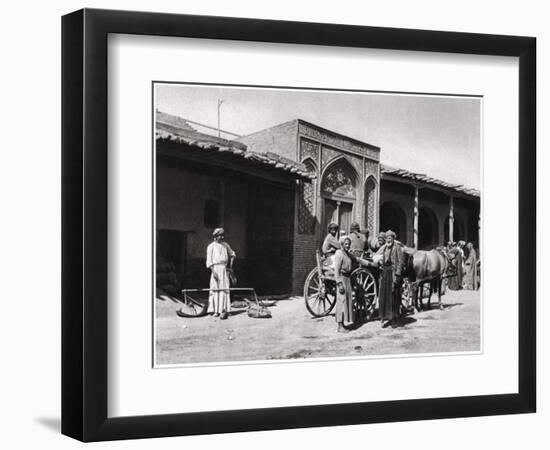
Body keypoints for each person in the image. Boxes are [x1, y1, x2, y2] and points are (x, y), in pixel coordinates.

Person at [333, 236, 371, 333]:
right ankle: (340, 326)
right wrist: (339, 283)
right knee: (341, 302)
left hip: (348, 279)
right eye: (345, 244)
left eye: (349, 244)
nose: (347, 246)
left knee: (346, 301)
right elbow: (336, 271)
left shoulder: (348, 254)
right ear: (342, 244)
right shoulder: (339, 254)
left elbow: (358, 260)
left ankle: (343, 325)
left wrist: (370, 264)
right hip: (342, 278)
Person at [206, 228, 236, 319]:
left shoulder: (225, 245)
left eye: (222, 235)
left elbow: (232, 254)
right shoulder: (211, 246)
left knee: (225, 288)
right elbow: (209, 260)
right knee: (215, 288)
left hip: (224, 269)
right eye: (220, 235)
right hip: (215, 268)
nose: (222, 237)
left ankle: (225, 309)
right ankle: (215, 310)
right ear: (215, 236)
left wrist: (230, 266)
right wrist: (213, 271)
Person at [377, 230, 405, 328]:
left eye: (390, 238)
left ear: (393, 239)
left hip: (393, 274)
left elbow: (401, 262)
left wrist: (397, 275)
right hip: (385, 274)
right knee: (384, 296)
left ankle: (394, 319)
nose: (388, 240)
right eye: (387, 238)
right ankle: (383, 318)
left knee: (393, 297)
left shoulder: (397, 248)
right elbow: (378, 256)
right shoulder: (384, 248)